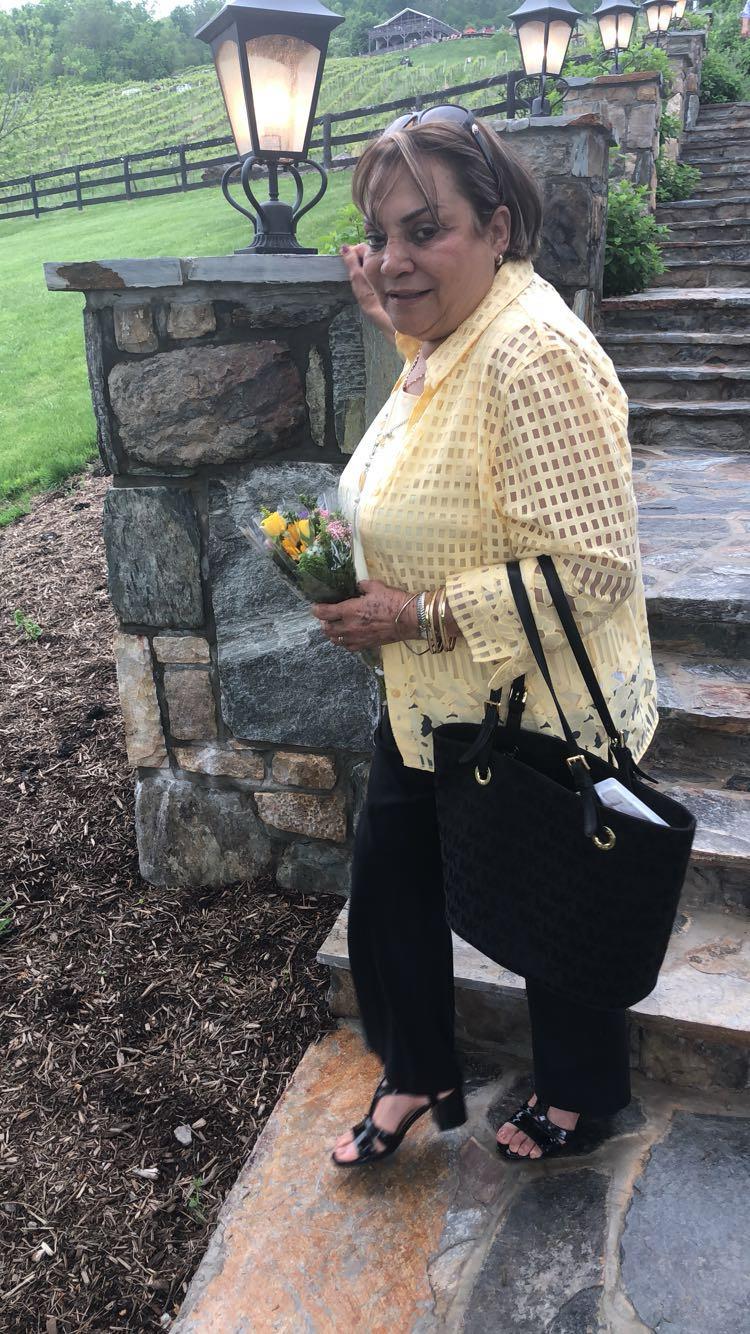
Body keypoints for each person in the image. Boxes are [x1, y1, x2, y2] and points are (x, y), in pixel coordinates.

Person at [311, 107, 659, 1167]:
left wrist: (417, 612)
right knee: (392, 886)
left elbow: (594, 566)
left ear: (498, 226)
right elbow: (442, 414)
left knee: (563, 913)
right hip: (431, 697)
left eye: (427, 230)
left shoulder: (534, 354)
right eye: (381, 235)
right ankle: (416, 1068)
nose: (396, 257)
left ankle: (581, 1097)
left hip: (536, 708)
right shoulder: (455, 331)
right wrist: (399, 321)